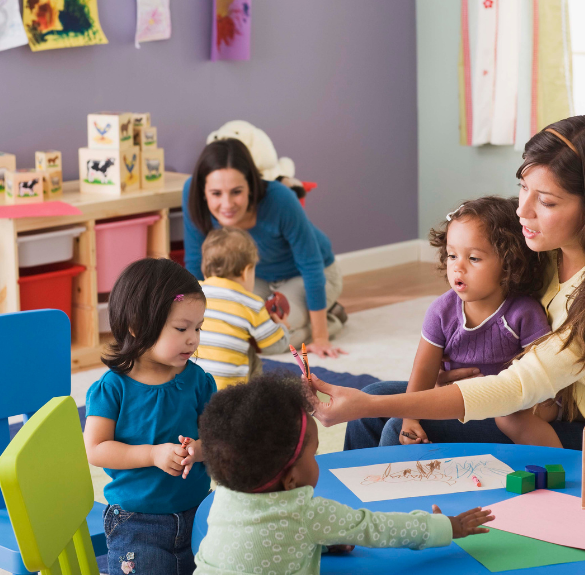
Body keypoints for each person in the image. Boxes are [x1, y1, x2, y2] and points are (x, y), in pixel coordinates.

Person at [310, 116, 585, 472]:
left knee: (399, 423)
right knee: (373, 406)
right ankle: (349, 523)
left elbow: (516, 387)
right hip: (560, 416)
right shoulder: (547, 258)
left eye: (545, 201)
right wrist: (391, 398)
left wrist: (381, 404)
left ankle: (400, 533)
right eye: (523, 188)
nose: (522, 210)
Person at [193, 375, 495, 575]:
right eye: (313, 455)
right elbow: (379, 527)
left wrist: (323, 542)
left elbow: (264, 539)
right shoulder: (307, 514)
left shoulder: (222, 498)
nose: (318, 461)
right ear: (291, 481)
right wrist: (445, 527)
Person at [84, 258, 217, 575]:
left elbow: (221, 436)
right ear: (138, 326)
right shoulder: (112, 388)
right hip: (137, 521)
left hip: (201, 511)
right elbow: (97, 448)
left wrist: (199, 449)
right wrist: (153, 454)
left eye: (198, 328)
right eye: (182, 328)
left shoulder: (198, 381)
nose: (193, 338)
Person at [398, 196, 561, 448]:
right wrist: (410, 419)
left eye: (473, 258)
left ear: (509, 263)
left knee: (391, 429)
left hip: (512, 406)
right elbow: (423, 372)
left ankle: (557, 467)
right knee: (375, 397)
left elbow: (545, 375)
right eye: (452, 255)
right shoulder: (441, 312)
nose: (458, 268)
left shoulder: (523, 313)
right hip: (461, 398)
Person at [183, 138, 347, 358]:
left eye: (236, 191)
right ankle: (318, 315)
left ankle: (330, 321)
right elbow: (195, 262)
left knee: (266, 337)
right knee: (232, 329)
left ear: (251, 185)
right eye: (216, 194)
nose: (227, 204)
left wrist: (320, 338)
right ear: (203, 191)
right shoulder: (191, 194)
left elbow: (311, 266)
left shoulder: (280, 198)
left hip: (310, 275)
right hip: (253, 277)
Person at [196, 227, 291, 389]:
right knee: (251, 354)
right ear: (247, 272)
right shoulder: (251, 303)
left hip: (191, 392)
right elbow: (275, 346)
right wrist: (283, 327)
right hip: (229, 396)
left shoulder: (192, 293)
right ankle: (254, 399)